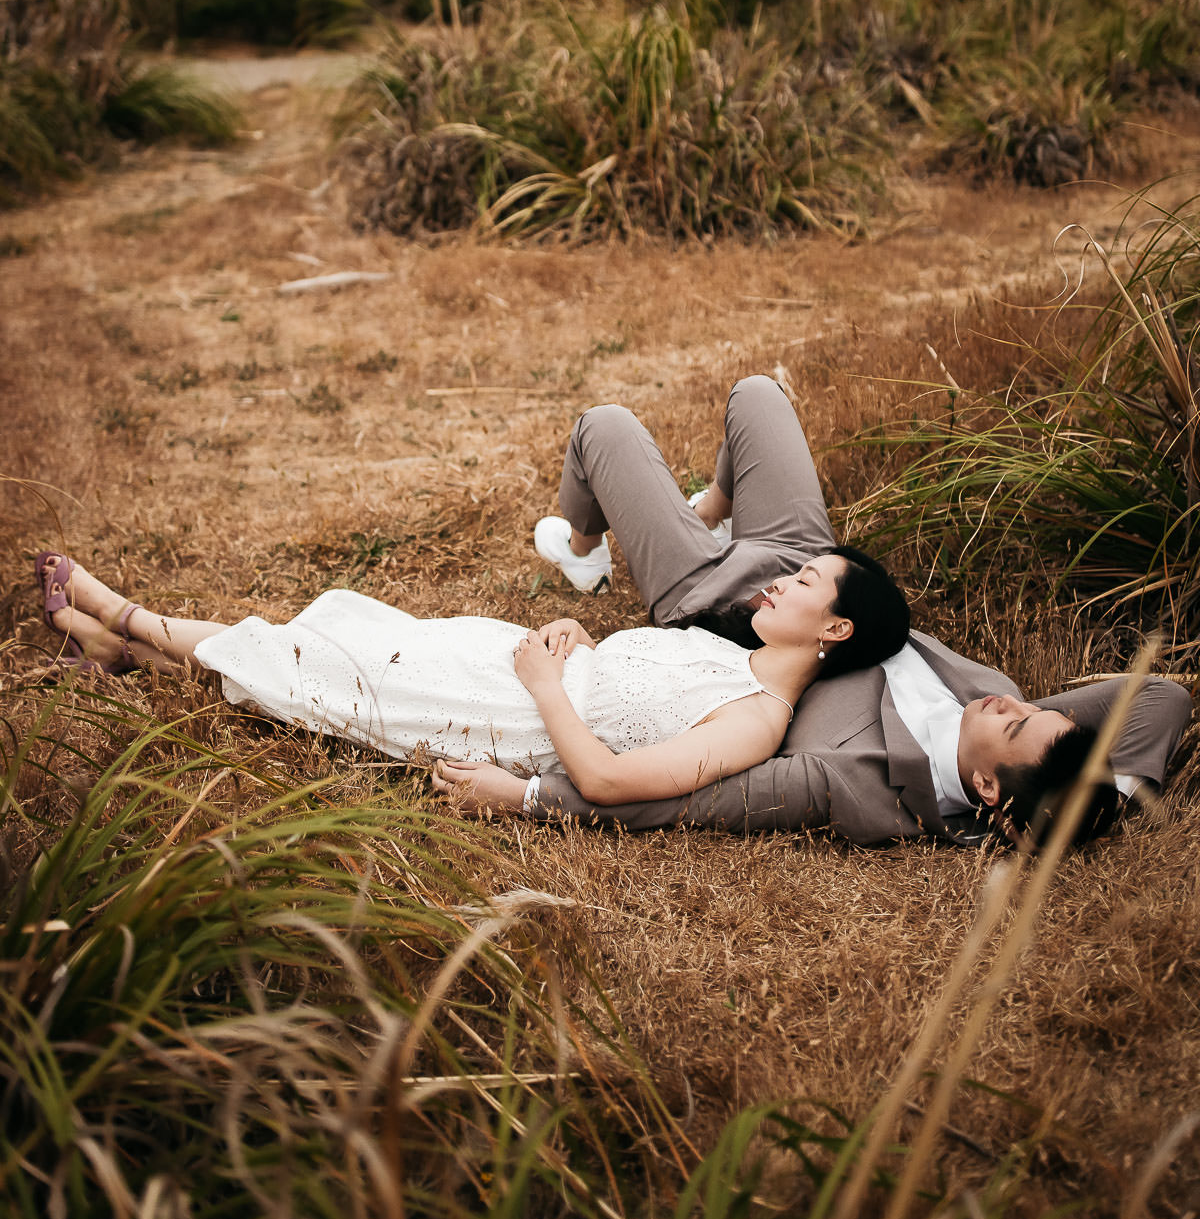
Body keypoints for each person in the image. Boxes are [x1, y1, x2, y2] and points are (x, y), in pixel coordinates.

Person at [432, 376, 1193, 846]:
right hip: (814, 567)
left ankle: (583, 546)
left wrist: (530, 797)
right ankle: (714, 510)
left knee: (604, 425)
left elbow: (689, 800)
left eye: (1018, 724)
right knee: (757, 394)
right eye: (1032, 709)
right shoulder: (998, 716)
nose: (1011, 701)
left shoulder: (853, 782)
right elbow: (1162, 696)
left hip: (719, 604)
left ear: (989, 789)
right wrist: (1101, 800)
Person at [31, 525, 910, 807]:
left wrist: (541, 689)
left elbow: (606, 777)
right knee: (318, 660)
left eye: (802, 580)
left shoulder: (756, 722)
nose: (779, 581)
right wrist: (572, 635)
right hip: (500, 659)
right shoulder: (725, 648)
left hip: (504, 712)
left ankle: (120, 616)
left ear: (832, 628)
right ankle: (123, 650)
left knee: (306, 663)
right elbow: (621, 673)